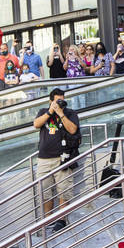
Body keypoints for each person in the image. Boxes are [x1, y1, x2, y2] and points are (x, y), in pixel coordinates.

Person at [33, 87, 80, 233]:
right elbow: (36, 124)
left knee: (64, 190)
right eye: (57, 100)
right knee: (45, 191)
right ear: (50, 101)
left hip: (62, 158)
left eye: (62, 100)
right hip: (44, 159)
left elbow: (73, 130)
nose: (60, 103)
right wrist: (50, 112)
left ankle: (62, 219)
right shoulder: (43, 112)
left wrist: (61, 113)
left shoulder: (70, 113)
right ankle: (48, 219)